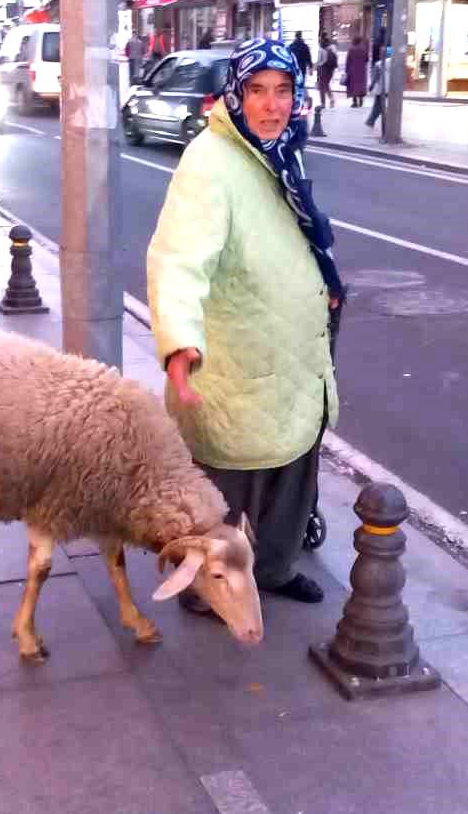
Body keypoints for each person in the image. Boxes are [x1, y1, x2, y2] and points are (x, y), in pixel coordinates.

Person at [147, 38, 342, 612]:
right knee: (226, 487)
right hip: (237, 361)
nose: (271, 104)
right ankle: (207, 589)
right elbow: (178, 259)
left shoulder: (281, 151)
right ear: (235, 94)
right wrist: (179, 342)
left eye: (283, 90)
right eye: (257, 91)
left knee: (291, 476)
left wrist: (323, 284)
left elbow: (297, 232)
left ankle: (276, 569)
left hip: (291, 357)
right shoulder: (211, 162)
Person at [366, 47, 392, 133]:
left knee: (378, 105)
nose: (380, 54)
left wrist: (371, 86)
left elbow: (375, 78)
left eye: (381, 52)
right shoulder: (393, 62)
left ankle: (371, 121)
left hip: (381, 88)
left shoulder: (378, 64)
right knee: (382, 106)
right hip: (390, 87)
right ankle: (371, 121)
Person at [315, 31, 338, 110]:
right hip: (330, 70)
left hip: (323, 69)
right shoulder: (332, 46)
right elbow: (335, 58)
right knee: (326, 85)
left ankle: (323, 103)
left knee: (322, 87)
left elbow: (320, 60)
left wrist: (316, 66)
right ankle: (331, 99)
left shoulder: (321, 47)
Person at [344, 35, 368, 107]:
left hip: (353, 70)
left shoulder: (351, 49)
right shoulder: (363, 49)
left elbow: (348, 60)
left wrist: (347, 70)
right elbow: (367, 59)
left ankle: (355, 102)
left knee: (353, 86)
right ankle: (361, 101)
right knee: (360, 85)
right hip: (362, 70)